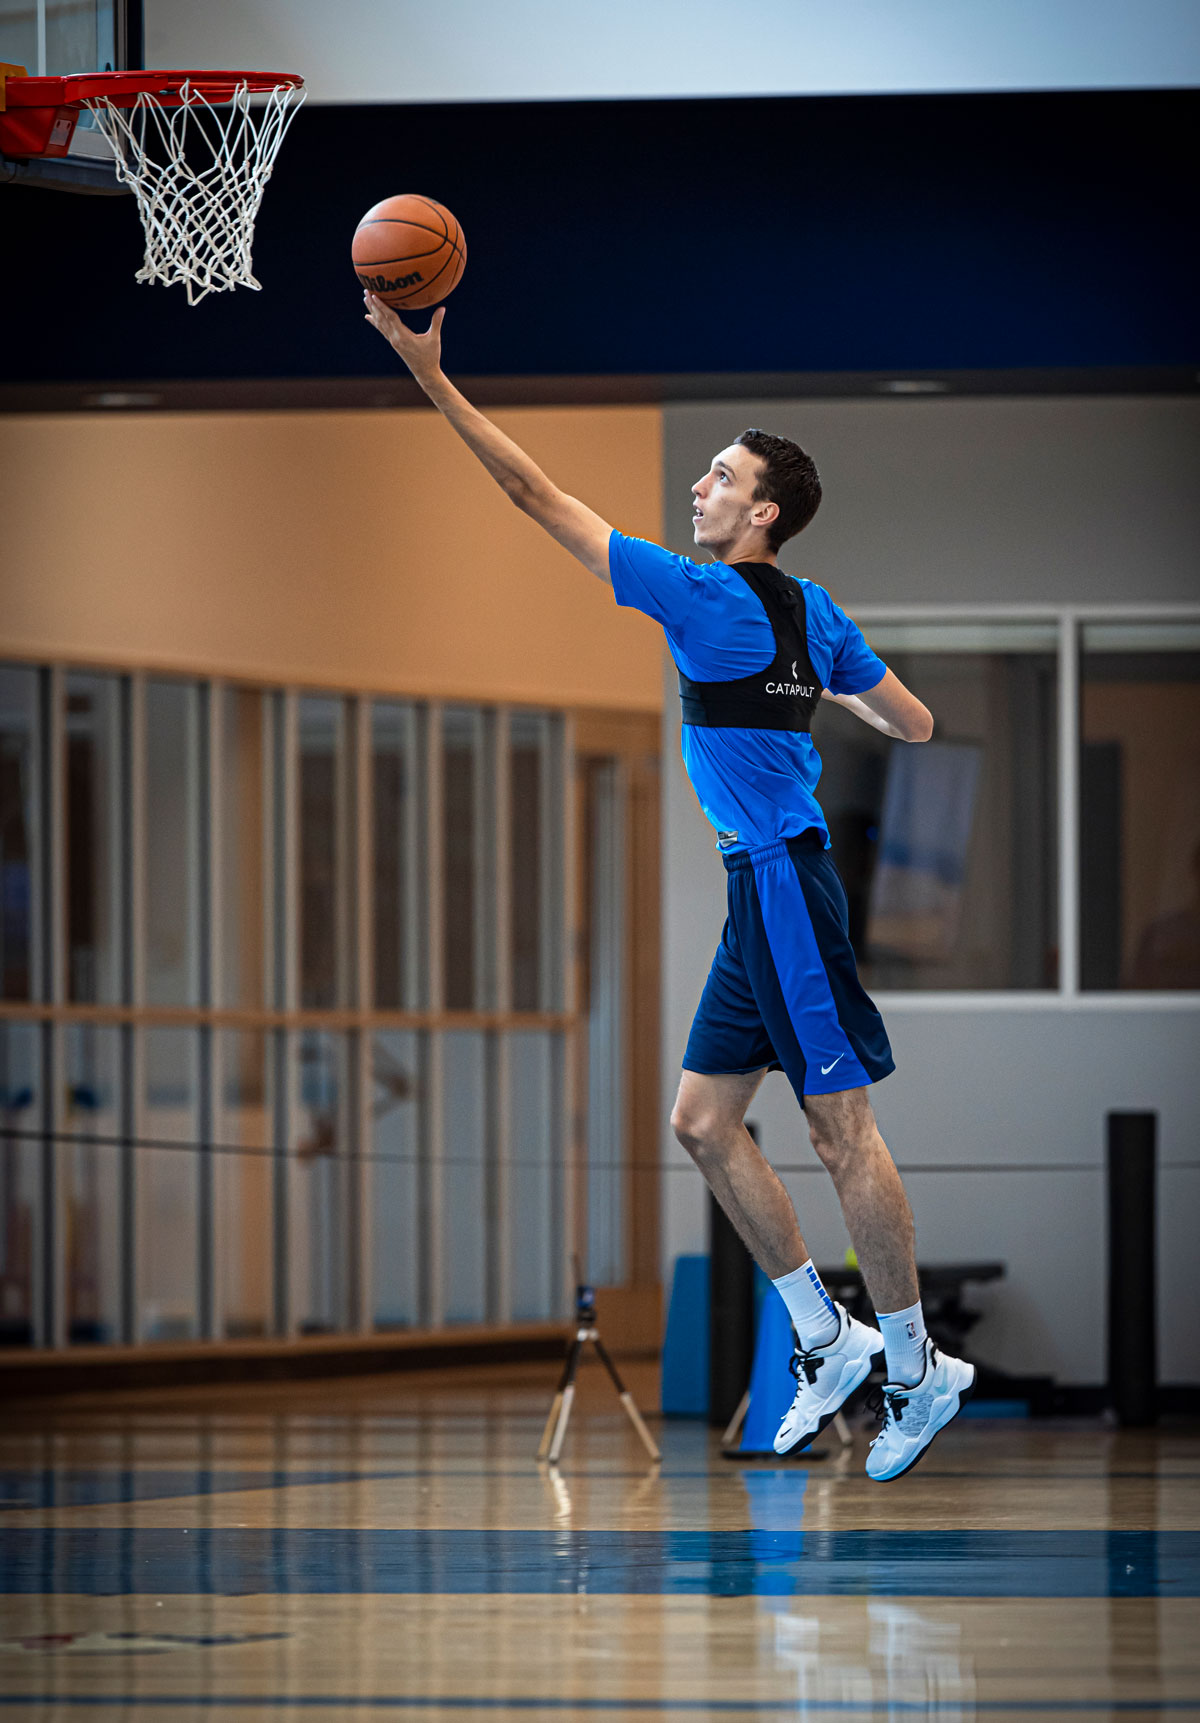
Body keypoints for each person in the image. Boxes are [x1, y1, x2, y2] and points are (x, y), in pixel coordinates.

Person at [364, 295, 976, 1481]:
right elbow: (914, 723)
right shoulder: (813, 611)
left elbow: (532, 493)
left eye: (720, 477)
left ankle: (916, 1367)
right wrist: (809, 691)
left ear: (764, 512)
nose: (699, 487)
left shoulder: (701, 596)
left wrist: (430, 376)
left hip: (787, 883)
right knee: (701, 1122)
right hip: (761, 887)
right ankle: (826, 1337)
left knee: (841, 1132)